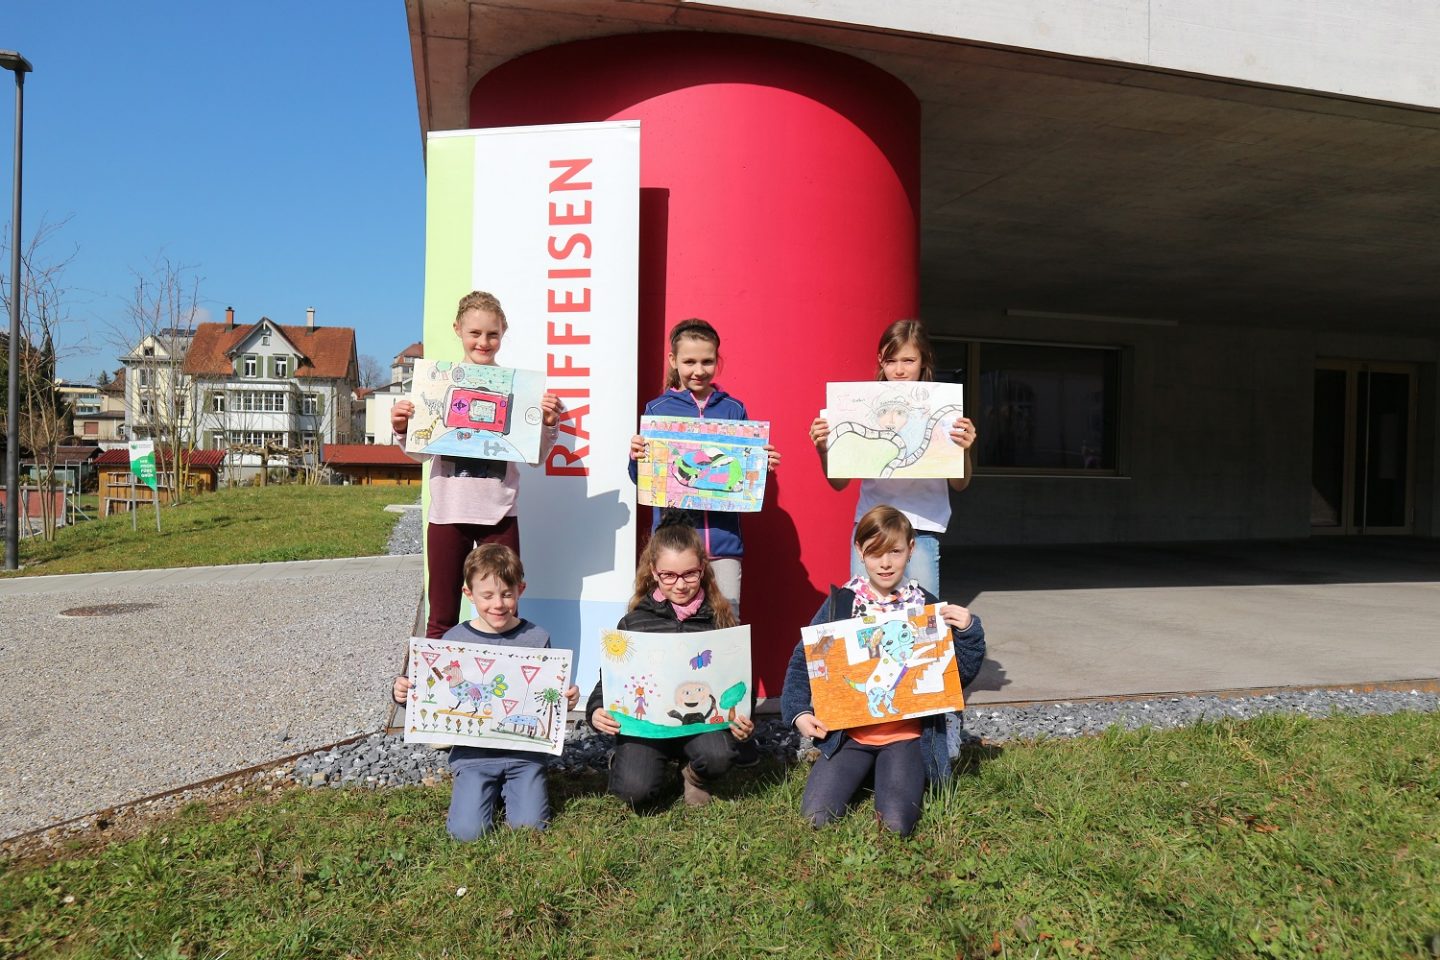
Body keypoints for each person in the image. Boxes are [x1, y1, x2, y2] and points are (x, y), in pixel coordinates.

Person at [781, 505, 986, 836]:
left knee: (896, 826)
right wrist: (799, 711)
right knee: (815, 817)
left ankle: (894, 774)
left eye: (895, 551)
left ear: (911, 549)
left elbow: (958, 675)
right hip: (851, 736)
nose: (886, 562)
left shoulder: (926, 606)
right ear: (859, 550)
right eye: (875, 552)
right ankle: (865, 773)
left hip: (906, 737)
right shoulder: (841, 604)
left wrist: (969, 632)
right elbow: (803, 660)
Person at [392, 290, 564, 638]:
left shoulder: (521, 391)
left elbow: (536, 457)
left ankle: (504, 688)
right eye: (475, 333)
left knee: (502, 612)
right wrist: (401, 428)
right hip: (447, 515)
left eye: (492, 334)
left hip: (499, 516)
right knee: (441, 616)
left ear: (503, 333)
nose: (483, 342)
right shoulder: (436, 387)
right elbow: (420, 453)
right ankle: (433, 690)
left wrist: (547, 424)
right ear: (458, 329)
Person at [392, 544, 580, 840]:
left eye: (507, 594)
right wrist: (403, 694)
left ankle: (512, 790)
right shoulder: (454, 639)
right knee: (467, 833)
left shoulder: (537, 638)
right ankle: (485, 791)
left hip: (525, 756)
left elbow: (545, 699)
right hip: (473, 756)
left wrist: (566, 699)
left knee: (530, 829)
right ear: (469, 594)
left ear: (521, 590)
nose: (498, 604)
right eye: (487, 595)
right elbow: (433, 692)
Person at [586, 511, 757, 809]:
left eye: (690, 574)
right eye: (669, 575)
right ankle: (636, 761)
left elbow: (739, 681)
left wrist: (743, 716)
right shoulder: (635, 622)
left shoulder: (719, 620)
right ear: (653, 572)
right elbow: (609, 681)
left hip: (699, 725)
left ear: (703, 568)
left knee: (720, 756)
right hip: (648, 729)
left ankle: (693, 775)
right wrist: (595, 710)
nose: (680, 585)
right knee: (633, 792)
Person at [809, 319, 977, 596]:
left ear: (924, 360)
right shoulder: (858, 407)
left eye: (909, 360)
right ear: (880, 361)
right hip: (872, 525)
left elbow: (960, 484)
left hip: (921, 528)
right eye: (891, 360)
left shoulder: (944, 410)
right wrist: (824, 450)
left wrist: (965, 450)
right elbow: (839, 483)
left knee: (921, 622)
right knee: (868, 620)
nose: (899, 370)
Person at [628, 318, 780, 617]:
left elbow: (744, 478)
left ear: (717, 360)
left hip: (724, 544)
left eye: (707, 361)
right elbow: (640, 481)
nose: (699, 370)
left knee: (727, 625)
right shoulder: (657, 410)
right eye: (689, 361)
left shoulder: (733, 409)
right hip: (675, 547)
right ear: (673, 360)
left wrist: (760, 466)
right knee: (674, 626)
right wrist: (636, 458)